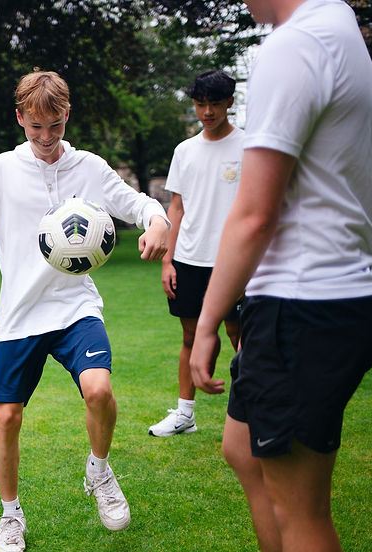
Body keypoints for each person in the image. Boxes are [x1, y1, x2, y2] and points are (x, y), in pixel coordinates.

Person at [189, 0, 372, 552]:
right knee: (242, 448)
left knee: (304, 510)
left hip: (308, 304)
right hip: (329, 296)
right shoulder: (339, 30)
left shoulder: (294, 46)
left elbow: (254, 213)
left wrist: (207, 322)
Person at [0, 70, 169, 552]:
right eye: (35, 126)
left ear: (67, 117)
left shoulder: (90, 168)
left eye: (55, 126)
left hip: (75, 305)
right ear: (20, 118)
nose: (45, 138)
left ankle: (100, 471)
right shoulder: (0, 168)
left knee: (100, 390)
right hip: (21, 313)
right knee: (7, 416)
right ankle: (10, 515)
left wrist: (157, 221)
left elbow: (137, 203)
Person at [149, 71, 243, 437]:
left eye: (215, 104)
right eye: (201, 104)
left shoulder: (249, 147)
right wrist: (167, 261)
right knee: (190, 337)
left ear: (229, 103)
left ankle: (255, 412)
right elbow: (176, 208)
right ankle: (185, 415)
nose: (207, 111)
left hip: (234, 262)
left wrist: (251, 267)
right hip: (188, 260)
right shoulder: (184, 151)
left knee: (241, 338)